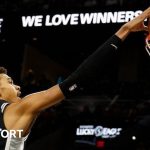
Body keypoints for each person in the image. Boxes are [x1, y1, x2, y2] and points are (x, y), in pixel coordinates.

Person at [0, 7, 150, 150]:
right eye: (10, 82)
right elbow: (76, 80)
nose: (17, 86)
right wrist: (126, 29)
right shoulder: (16, 110)